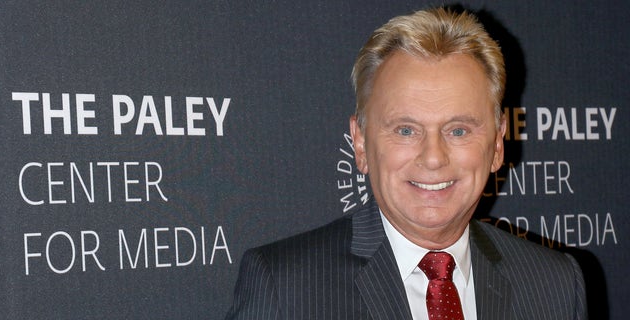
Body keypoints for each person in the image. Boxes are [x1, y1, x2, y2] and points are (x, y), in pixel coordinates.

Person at [226, 7, 587, 320]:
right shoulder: (284, 289)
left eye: (458, 130)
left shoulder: (555, 284)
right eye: (405, 130)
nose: (433, 157)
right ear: (362, 144)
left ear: (496, 145)